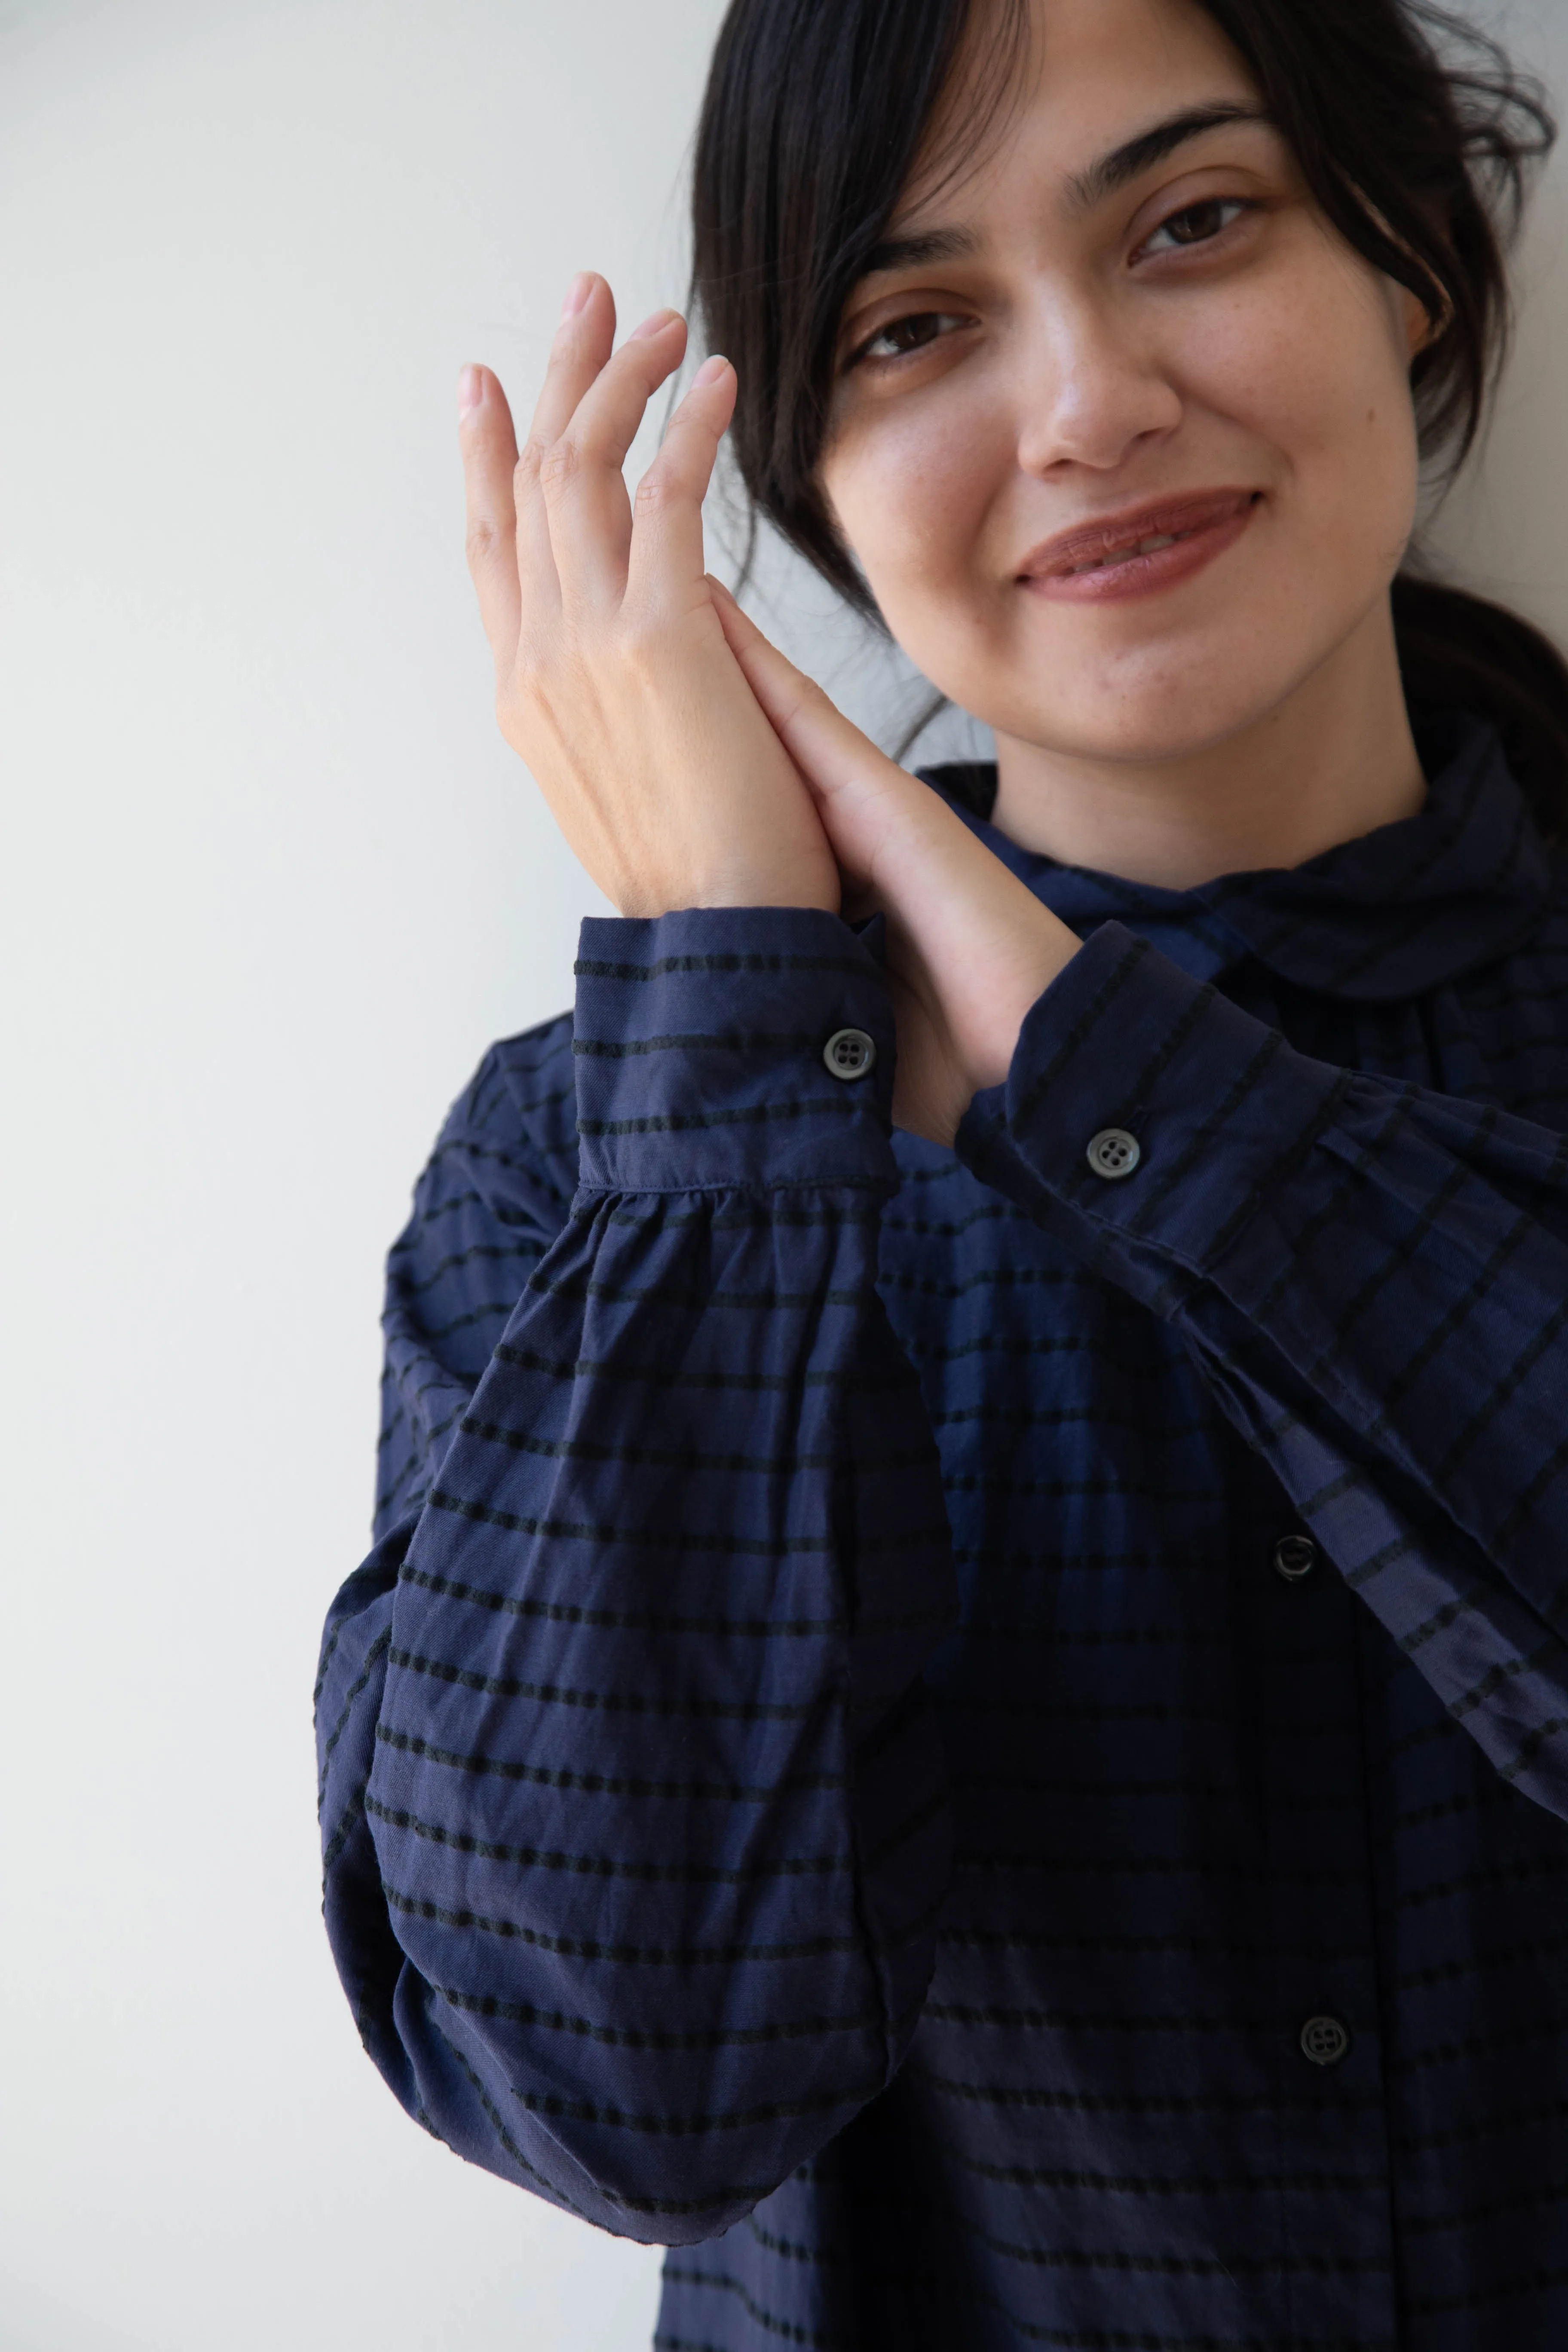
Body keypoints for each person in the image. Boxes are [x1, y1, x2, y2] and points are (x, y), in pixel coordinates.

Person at [315, 0, 1568, 2342]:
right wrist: (723, 1036)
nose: (1089, 407)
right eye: (916, 326)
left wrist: (1097, 1063)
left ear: (1406, 252)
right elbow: (623, 2086)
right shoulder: (585, 1166)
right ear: (801, 475)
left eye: (1195, 220)